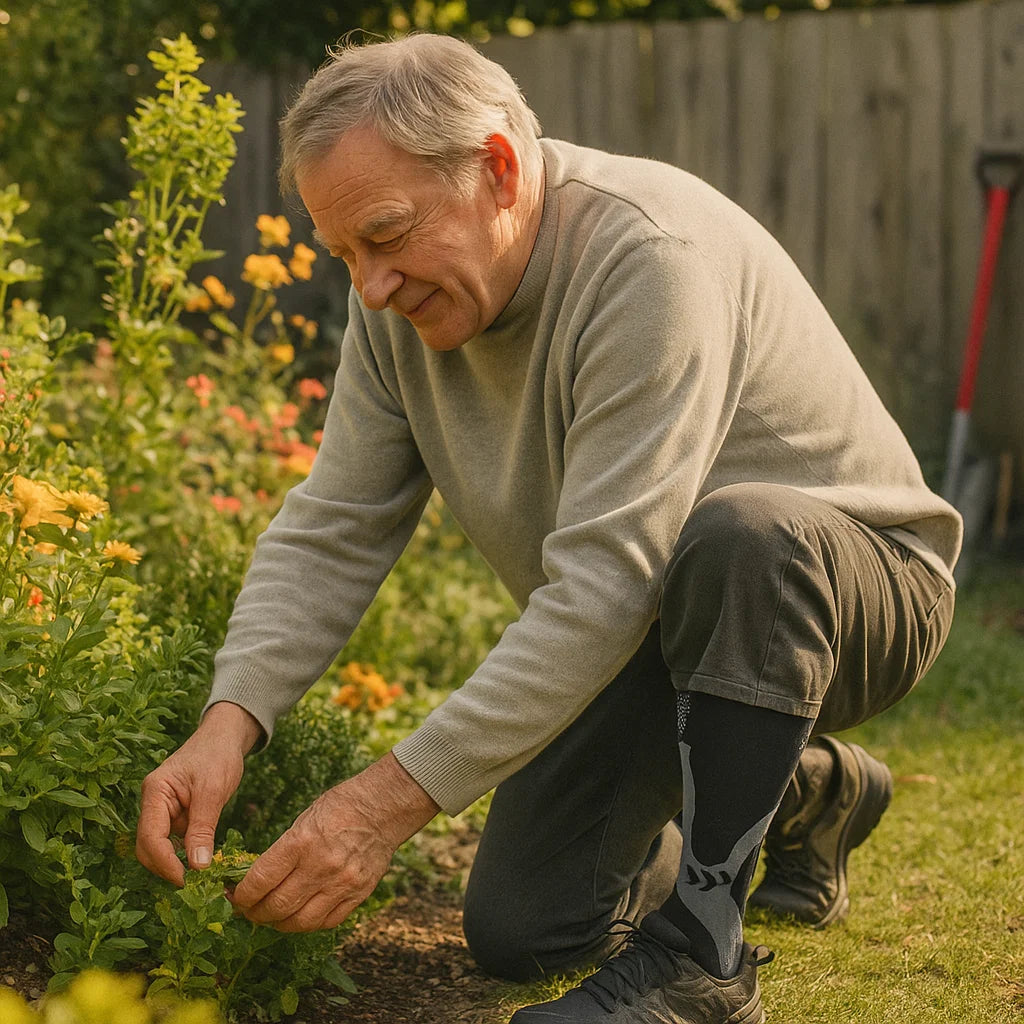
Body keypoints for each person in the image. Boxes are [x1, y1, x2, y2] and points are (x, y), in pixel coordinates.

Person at [136, 33, 961, 1024]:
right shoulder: (395, 304)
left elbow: (606, 584)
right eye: (343, 252)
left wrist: (377, 806)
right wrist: (227, 723)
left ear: (495, 168)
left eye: (388, 236)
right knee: (528, 924)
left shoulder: (648, 259)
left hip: (845, 587)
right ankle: (805, 788)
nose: (370, 288)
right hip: (656, 624)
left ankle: (702, 949)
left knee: (743, 532)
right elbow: (335, 521)